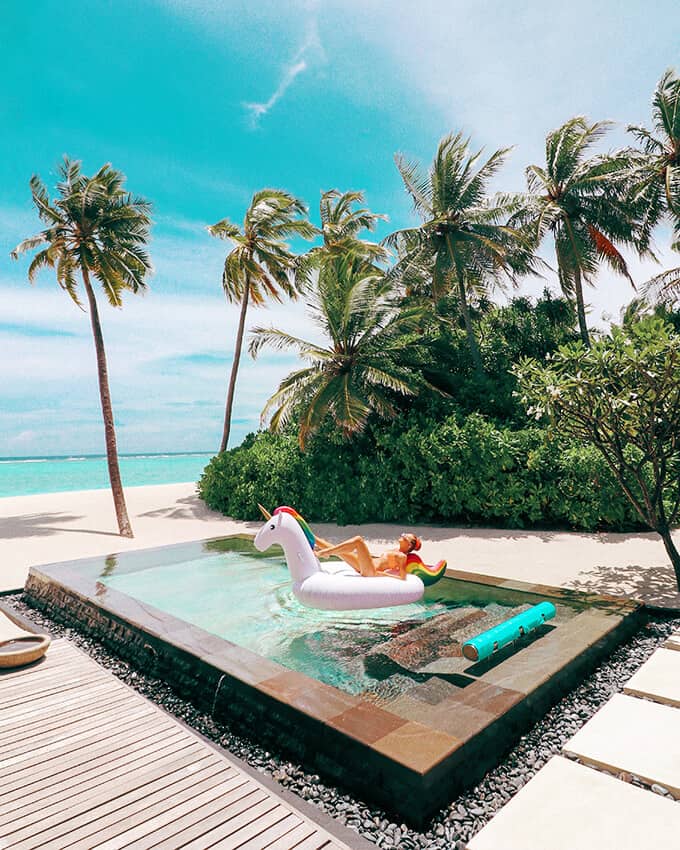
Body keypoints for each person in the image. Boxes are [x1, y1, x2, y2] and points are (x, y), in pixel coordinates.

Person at [314, 532, 422, 580]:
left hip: (370, 571)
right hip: (365, 565)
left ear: (408, 545)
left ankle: (323, 553)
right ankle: (312, 537)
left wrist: (381, 575)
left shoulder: (402, 556)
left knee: (358, 540)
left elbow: (402, 578)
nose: (402, 535)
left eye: (405, 536)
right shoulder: (394, 550)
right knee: (338, 549)